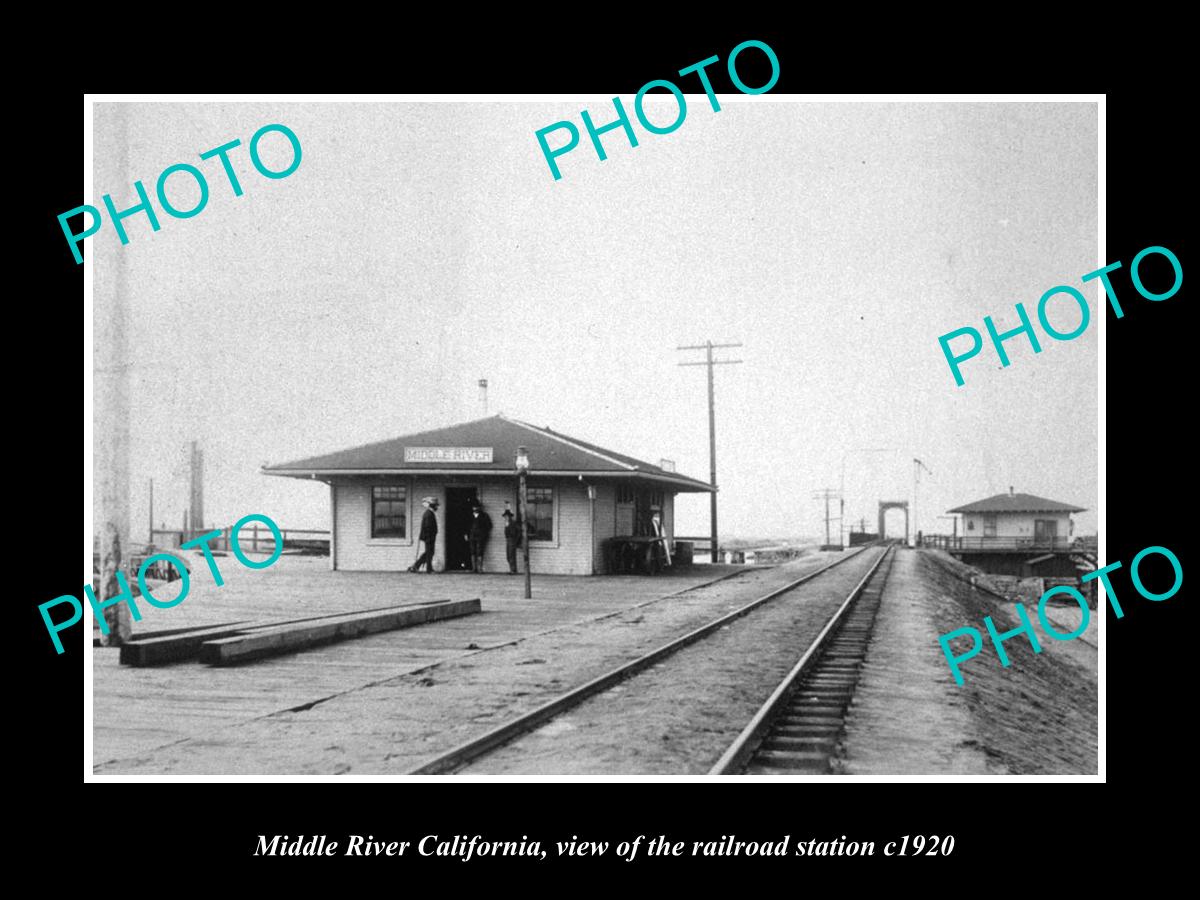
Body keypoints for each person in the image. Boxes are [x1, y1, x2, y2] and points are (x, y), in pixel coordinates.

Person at [408, 497, 439, 573]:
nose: (436, 507)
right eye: (435, 505)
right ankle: (428, 569)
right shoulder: (428, 514)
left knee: (429, 552)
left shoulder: (429, 513)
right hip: (429, 537)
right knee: (429, 553)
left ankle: (416, 566)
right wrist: (429, 537)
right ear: (432, 505)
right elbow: (428, 527)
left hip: (429, 537)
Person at [468, 502, 493, 573]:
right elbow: (466, 525)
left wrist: (484, 533)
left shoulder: (484, 516)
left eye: (477, 507)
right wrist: (466, 534)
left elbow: (489, 525)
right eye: (474, 507)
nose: (475, 508)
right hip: (472, 535)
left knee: (480, 551)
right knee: (472, 551)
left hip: (480, 536)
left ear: (480, 508)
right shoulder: (469, 516)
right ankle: (474, 568)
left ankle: (480, 568)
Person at [502, 503, 521, 575]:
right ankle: (511, 569)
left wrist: (516, 540)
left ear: (510, 517)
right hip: (508, 540)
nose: (506, 518)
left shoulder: (513, 523)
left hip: (512, 540)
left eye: (507, 516)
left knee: (511, 555)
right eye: (505, 516)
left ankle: (513, 570)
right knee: (508, 555)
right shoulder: (506, 524)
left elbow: (519, 531)